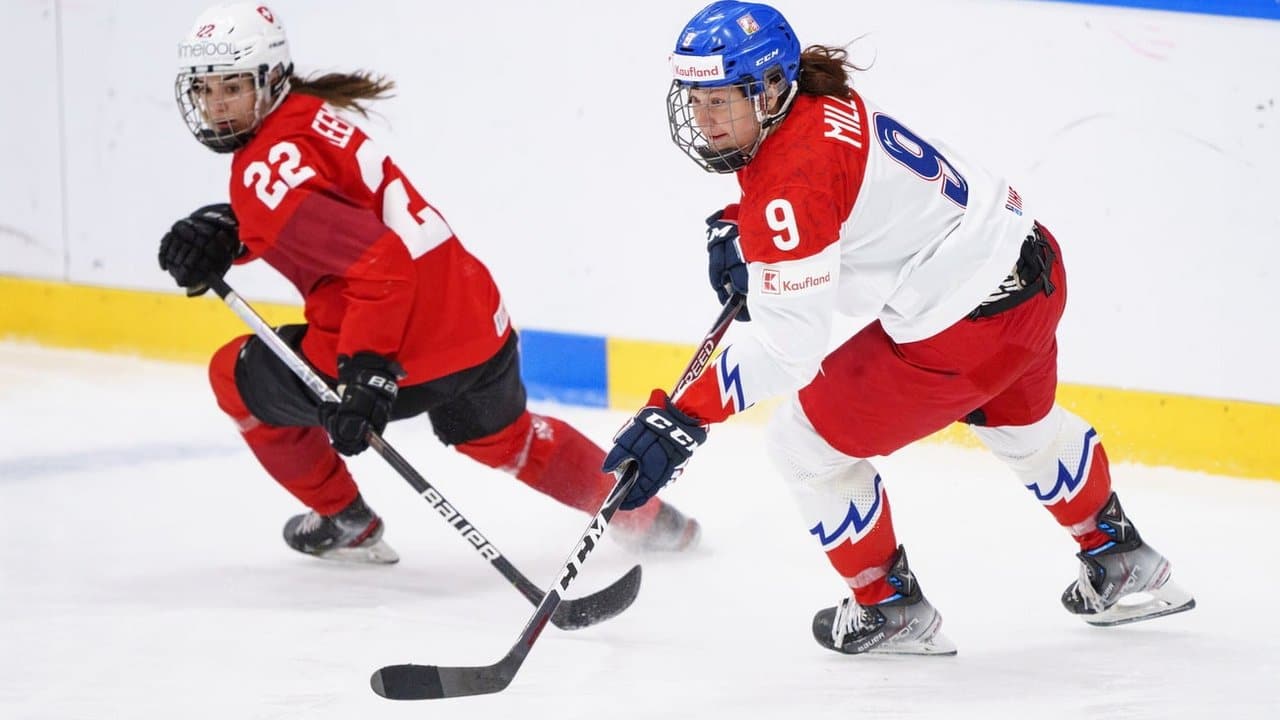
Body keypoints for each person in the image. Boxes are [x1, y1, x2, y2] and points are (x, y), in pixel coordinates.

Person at [604, 0, 1194, 655]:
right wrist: (748, 231)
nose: (704, 118)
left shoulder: (788, 185)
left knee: (802, 445)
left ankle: (888, 607)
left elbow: (790, 349)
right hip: (1032, 272)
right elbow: (838, 198)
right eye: (696, 99)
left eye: (720, 100)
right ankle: (1121, 557)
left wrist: (682, 414)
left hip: (966, 326)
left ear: (770, 87)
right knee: (1023, 428)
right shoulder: (817, 99)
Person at [159, 2, 700, 564]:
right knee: (505, 438)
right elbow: (330, 216)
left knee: (229, 374)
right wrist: (236, 233)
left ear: (272, 77)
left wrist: (366, 373)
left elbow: (378, 263)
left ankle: (343, 517)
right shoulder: (309, 115)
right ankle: (650, 519)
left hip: (397, 350)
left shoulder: (262, 168)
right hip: (475, 325)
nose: (216, 106)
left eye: (232, 87)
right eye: (205, 89)